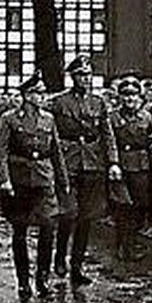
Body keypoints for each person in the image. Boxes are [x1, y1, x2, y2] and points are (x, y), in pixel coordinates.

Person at [0, 72, 70, 301]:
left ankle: (43, 278)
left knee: (48, 228)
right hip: (20, 181)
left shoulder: (48, 119)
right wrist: (4, 179)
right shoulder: (10, 118)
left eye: (42, 93)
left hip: (44, 180)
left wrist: (63, 181)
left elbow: (56, 151)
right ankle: (23, 281)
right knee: (20, 231)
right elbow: (0, 151)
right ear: (26, 95)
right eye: (37, 93)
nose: (41, 96)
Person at [50, 54, 122, 286]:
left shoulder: (98, 103)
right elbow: (50, 134)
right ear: (73, 77)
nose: (85, 79)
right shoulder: (59, 102)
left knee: (86, 218)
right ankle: (60, 256)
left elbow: (107, 135)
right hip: (68, 162)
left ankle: (77, 266)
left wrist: (112, 162)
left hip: (92, 163)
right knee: (68, 213)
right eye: (81, 75)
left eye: (88, 75)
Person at [109, 76, 152, 261]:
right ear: (120, 98)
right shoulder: (112, 117)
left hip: (141, 167)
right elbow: (108, 144)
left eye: (133, 95)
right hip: (120, 166)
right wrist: (112, 164)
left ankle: (131, 243)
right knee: (123, 207)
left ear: (139, 97)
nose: (130, 100)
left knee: (139, 207)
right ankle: (124, 246)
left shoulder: (146, 117)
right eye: (126, 96)